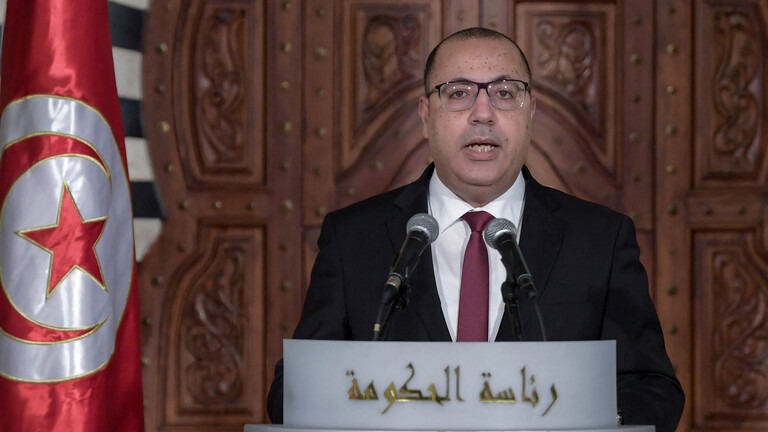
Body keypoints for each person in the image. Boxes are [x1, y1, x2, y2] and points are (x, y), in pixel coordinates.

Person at [267, 27, 684, 431]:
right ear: (426, 115)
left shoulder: (599, 239)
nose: (483, 114)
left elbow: (651, 387)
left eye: (504, 93)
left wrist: (594, 426)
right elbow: (295, 390)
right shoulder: (353, 238)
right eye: (458, 93)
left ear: (531, 113)